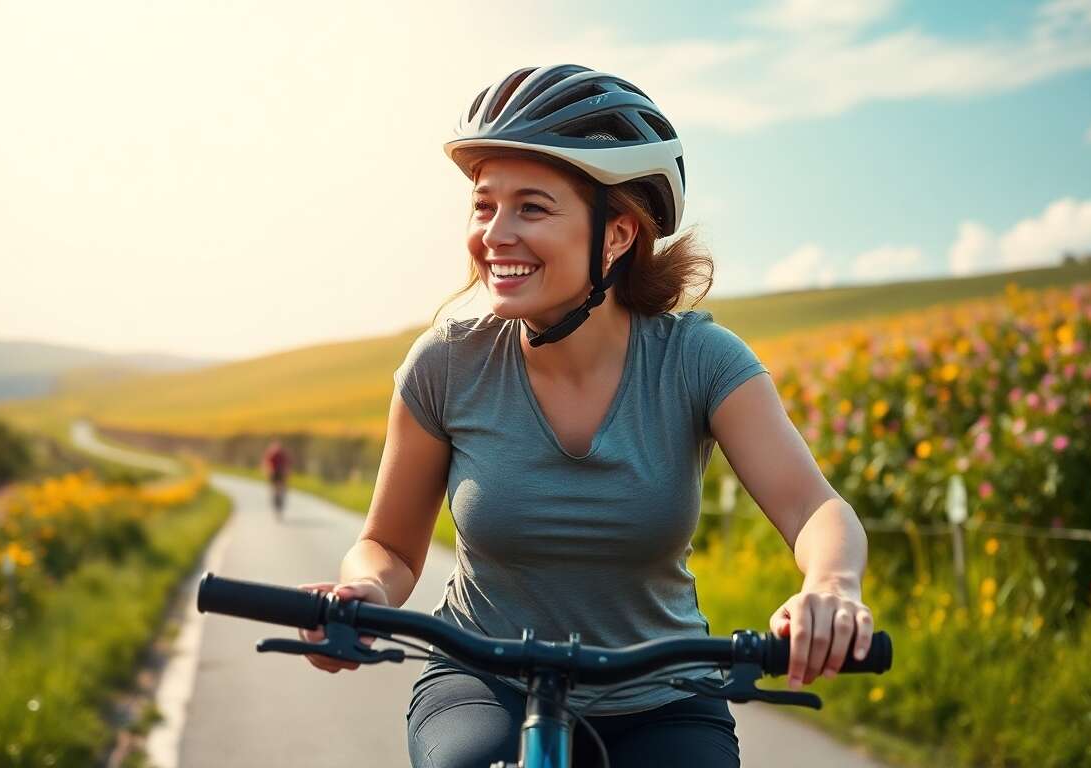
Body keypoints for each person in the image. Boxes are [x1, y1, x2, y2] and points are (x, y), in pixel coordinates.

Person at [298, 64, 872, 768]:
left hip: (661, 696)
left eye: (531, 208)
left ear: (618, 234)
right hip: (484, 681)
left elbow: (813, 506)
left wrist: (831, 587)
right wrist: (361, 588)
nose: (494, 234)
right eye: (484, 206)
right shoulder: (445, 365)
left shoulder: (700, 361)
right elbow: (389, 545)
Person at [262, 440, 290, 516]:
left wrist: (286, 472)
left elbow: (287, 464)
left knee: (282, 487)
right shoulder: (271, 454)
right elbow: (266, 463)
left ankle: (280, 497)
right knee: (274, 487)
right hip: (274, 472)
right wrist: (268, 470)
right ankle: (274, 497)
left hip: (280, 472)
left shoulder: (282, 454)